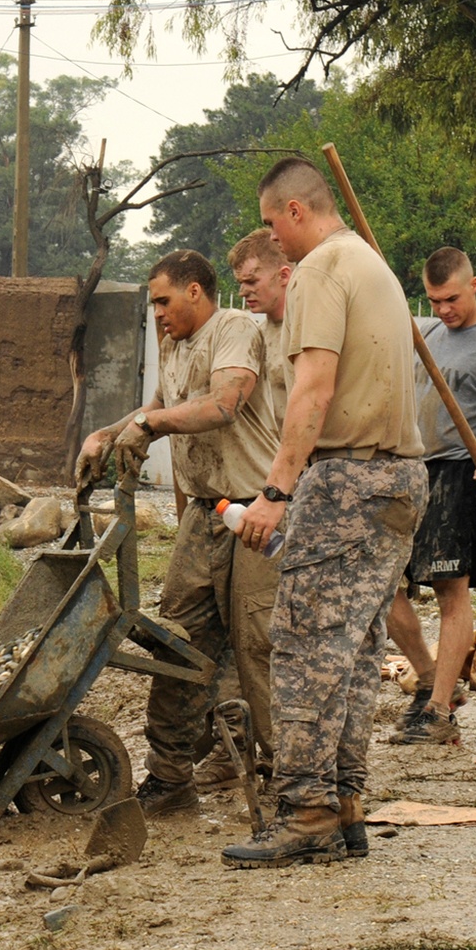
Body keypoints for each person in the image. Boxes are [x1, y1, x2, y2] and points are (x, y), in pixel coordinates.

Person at [222, 158, 428, 868]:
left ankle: (306, 810)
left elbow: (314, 387)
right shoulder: (372, 266)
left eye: (275, 224)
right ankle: (345, 806)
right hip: (400, 478)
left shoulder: (320, 271)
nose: (273, 241)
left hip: (348, 478)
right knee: (355, 649)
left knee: (306, 646)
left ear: (297, 212)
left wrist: (275, 492)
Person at [75, 249, 270, 816]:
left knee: (256, 648)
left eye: (163, 300)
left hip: (254, 511)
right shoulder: (174, 342)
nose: (157, 312)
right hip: (203, 514)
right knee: (178, 642)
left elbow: (225, 403)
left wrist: (148, 425)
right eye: (153, 302)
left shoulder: (231, 328)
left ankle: (287, 782)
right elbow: (161, 405)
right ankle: (170, 778)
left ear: (194, 291)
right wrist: (108, 434)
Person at [386, 247, 476, 746]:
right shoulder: (425, 336)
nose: (444, 310)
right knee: (383, 586)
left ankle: (437, 711)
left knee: (451, 591)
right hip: (413, 471)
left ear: (474, 285)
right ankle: (433, 679)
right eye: (433, 301)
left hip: (463, 477)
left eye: (450, 299)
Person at [189, 227, 296, 791]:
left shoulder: (307, 328)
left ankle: (287, 765)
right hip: (245, 503)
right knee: (223, 629)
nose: (244, 292)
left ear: (284, 272)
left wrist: (280, 496)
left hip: (283, 498)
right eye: (238, 284)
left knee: (262, 635)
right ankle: (234, 749)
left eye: (251, 281)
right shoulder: (262, 331)